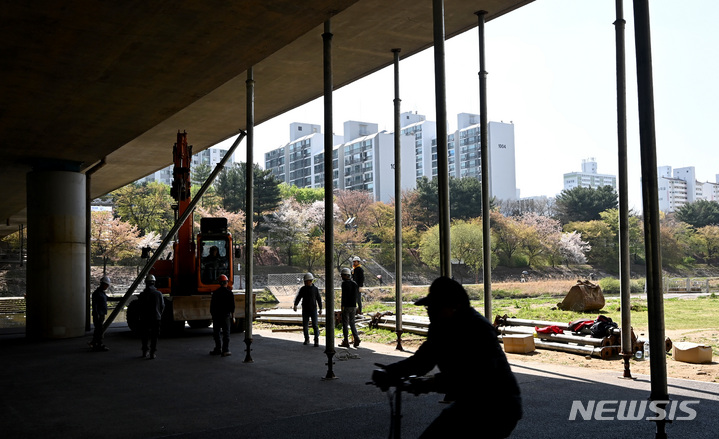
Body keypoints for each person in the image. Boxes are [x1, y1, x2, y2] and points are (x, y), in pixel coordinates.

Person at [372, 277, 522, 438]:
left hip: (498, 407)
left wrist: (432, 382)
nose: (429, 310)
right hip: (470, 403)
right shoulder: (439, 327)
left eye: (435, 306)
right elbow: (422, 361)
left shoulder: (478, 329)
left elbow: (476, 375)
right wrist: (390, 371)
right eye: (428, 307)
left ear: (455, 306)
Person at [138, 274, 165, 359]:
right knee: (154, 336)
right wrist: (159, 314)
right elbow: (162, 306)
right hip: (156, 318)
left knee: (144, 335)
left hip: (144, 318)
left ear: (146, 283)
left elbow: (139, 307)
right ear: (154, 283)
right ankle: (152, 353)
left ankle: (144, 351)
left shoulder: (142, 295)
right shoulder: (158, 294)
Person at [293, 273, 323, 347]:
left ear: (311, 281)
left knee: (315, 325)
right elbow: (299, 297)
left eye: (307, 281)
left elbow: (319, 299)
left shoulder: (315, 289)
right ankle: (306, 339)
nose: (305, 283)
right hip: (305, 309)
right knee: (305, 325)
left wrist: (321, 308)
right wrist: (295, 305)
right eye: (305, 281)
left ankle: (316, 340)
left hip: (313, 309)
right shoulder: (303, 289)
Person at [210, 274, 235, 357]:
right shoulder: (229, 293)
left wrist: (213, 315)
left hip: (217, 315)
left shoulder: (215, 293)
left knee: (216, 332)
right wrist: (233, 316)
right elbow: (232, 306)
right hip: (225, 315)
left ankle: (217, 349)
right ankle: (225, 350)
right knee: (226, 333)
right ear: (226, 282)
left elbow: (212, 306)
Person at [339, 267, 362, 348]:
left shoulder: (344, 284)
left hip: (346, 306)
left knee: (345, 324)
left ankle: (346, 340)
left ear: (345, 275)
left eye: (342, 275)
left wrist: (342, 306)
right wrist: (359, 306)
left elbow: (344, 296)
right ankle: (356, 337)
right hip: (353, 306)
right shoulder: (354, 284)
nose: (341, 277)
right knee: (352, 323)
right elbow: (357, 296)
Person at [89, 275, 111, 351]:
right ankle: (99, 344)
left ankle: (94, 343)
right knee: (99, 330)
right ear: (103, 284)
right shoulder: (96, 293)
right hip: (98, 315)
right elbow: (94, 306)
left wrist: (121, 298)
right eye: (107, 285)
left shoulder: (102, 293)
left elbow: (108, 298)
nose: (107, 287)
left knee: (98, 330)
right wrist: (96, 314)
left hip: (101, 314)